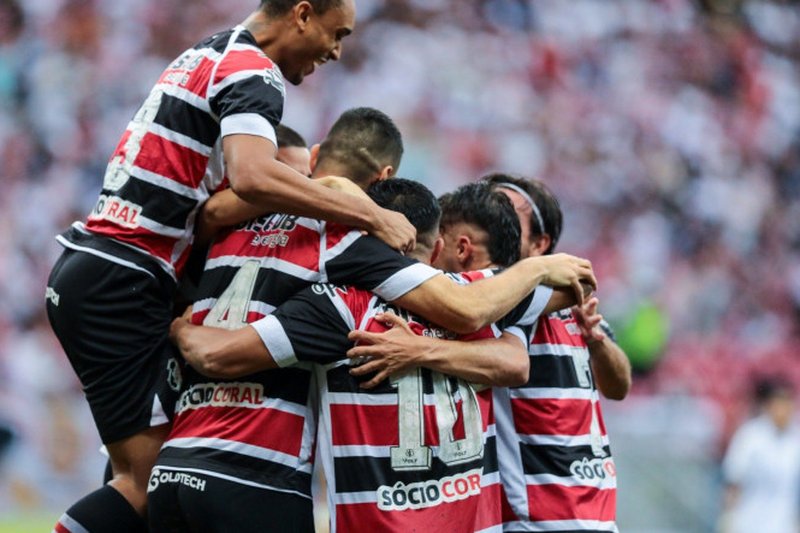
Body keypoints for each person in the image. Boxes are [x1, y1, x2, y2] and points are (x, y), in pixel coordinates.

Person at [43, 2, 419, 531]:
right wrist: (368, 211)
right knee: (145, 483)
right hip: (125, 274)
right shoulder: (255, 70)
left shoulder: (207, 53)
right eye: (336, 34)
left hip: (104, 267)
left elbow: (217, 202)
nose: (336, 52)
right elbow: (252, 175)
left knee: (149, 465)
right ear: (303, 14)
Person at [148, 107, 595, 531]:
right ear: (438, 246)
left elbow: (213, 331)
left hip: (174, 463)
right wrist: (535, 266)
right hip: (260, 475)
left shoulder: (241, 234)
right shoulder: (364, 267)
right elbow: (498, 316)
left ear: (317, 156)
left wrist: (179, 325)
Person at [485, 174, 630, 532]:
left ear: (540, 244)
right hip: (538, 520)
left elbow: (619, 385)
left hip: (596, 514)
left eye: (505, 212)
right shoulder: (494, 301)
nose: (491, 220)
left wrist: (596, 340)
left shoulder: (567, 303)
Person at [720, 377, 800, 533]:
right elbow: (734, 481)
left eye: (788, 403)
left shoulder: (796, 439)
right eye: (780, 403)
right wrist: (727, 519)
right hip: (748, 524)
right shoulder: (750, 436)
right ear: (768, 406)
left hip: (784, 526)